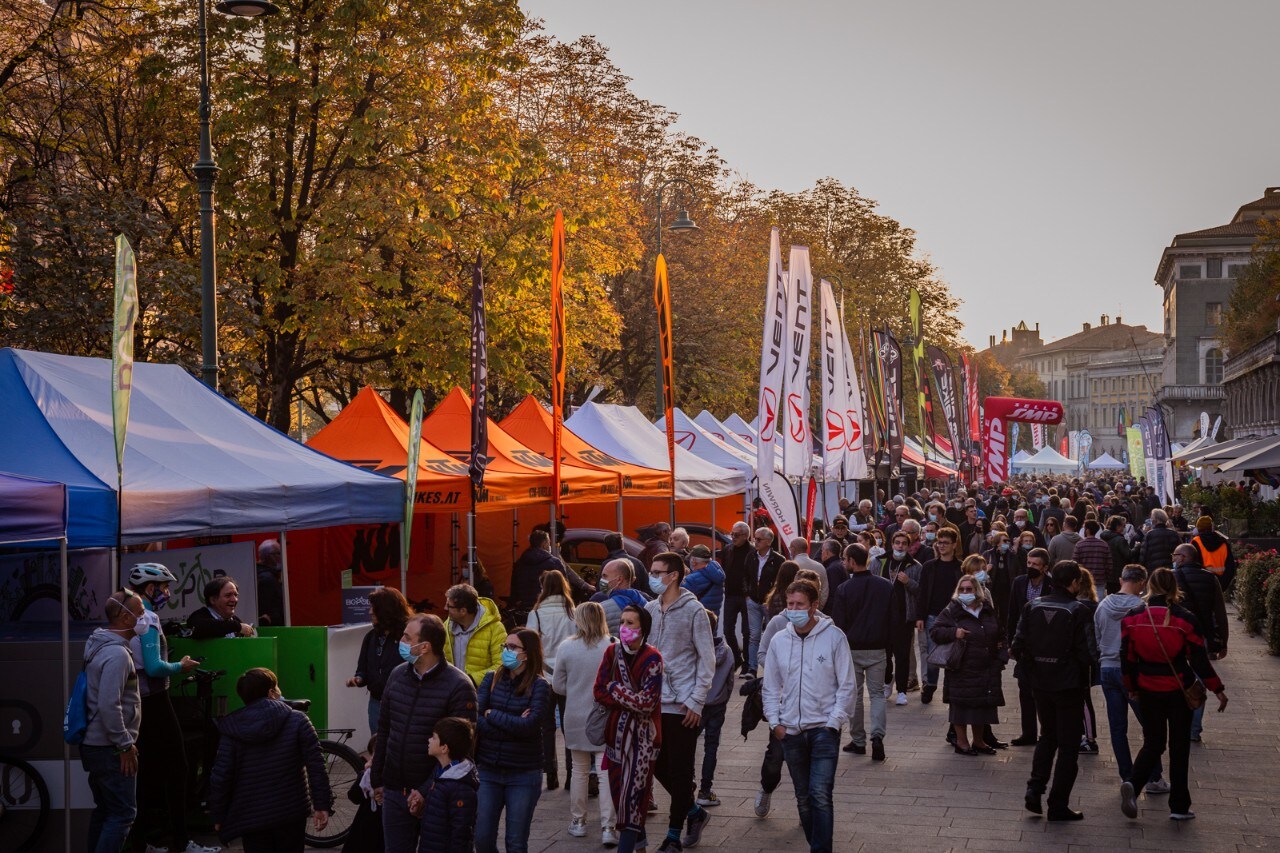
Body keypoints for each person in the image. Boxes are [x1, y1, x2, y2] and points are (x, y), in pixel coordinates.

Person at [1119, 568, 1228, 822]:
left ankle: (1133, 784)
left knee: (1154, 742)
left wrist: (1132, 687)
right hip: (1178, 687)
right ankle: (1179, 805)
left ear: (1150, 587)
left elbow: (1128, 659)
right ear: (1173, 588)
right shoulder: (1185, 619)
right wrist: (1218, 689)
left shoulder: (1132, 618)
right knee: (1179, 747)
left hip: (1147, 687)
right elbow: (1199, 661)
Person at [761, 581, 855, 853]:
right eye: (790, 605)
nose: (794, 610)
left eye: (800, 605)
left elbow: (847, 684)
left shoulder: (834, 637)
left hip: (823, 730)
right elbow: (770, 686)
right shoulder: (780, 640)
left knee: (820, 795)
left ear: (814, 606)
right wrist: (776, 722)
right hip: (790, 731)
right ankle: (818, 843)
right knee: (803, 798)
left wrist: (834, 723)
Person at [372, 614, 478, 851]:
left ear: (425, 646)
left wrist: (424, 790)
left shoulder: (458, 685)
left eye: (407, 638)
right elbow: (385, 729)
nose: (400, 641)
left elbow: (463, 749)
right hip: (394, 790)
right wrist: (377, 778)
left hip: (437, 794)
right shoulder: (397, 675)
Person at [124, 564, 207, 853]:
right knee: (178, 768)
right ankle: (181, 843)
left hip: (136, 702)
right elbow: (155, 667)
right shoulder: (147, 617)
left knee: (146, 772)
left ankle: (142, 841)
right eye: (164, 588)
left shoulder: (128, 615)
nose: (168, 594)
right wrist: (180, 666)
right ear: (150, 589)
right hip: (155, 702)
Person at [209, 668, 332, 853]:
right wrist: (322, 804)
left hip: (251, 815)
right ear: (271, 692)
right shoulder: (298, 720)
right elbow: (316, 764)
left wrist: (218, 815)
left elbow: (221, 776)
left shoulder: (233, 728)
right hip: (291, 811)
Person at [1011, 560, 1098, 821]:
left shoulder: (1032, 606)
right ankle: (1057, 803)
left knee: (1047, 736)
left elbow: (1017, 643)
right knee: (1069, 745)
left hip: (1040, 682)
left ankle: (1034, 789)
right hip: (1068, 684)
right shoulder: (1078, 610)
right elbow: (1089, 651)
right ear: (1074, 583)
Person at [645, 552, 716, 851]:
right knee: (656, 766)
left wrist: (696, 701)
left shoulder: (694, 611)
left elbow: (707, 659)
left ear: (673, 575)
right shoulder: (649, 609)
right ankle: (694, 811)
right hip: (652, 705)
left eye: (657, 572)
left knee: (680, 770)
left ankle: (673, 837)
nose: (652, 576)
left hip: (683, 705)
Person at [594, 605, 664, 853]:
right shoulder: (612, 652)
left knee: (632, 800)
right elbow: (599, 690)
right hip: (615, 738)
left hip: (643, 741)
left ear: (643, 627)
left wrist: (617, 689)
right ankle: (641, 848)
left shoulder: (653, 658)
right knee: (619, 797)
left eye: (630, 623)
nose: (624, 627)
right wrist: (624, 695)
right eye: (622, 622)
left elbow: (647, 704)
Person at [474, 629, 551, 853]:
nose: (506, 651)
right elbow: (475, 717)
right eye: (505, 647)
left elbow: (529, 727)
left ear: (527, 654)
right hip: (489, 769)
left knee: (515, 843)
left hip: (523, 773)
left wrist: (492, 715)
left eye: (512, 647)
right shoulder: (491, 679)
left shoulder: (539, 686)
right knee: (482, 838)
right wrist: (510, 723)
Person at [1093, 565, 1168, 794]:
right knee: (1150, 726)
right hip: (1132, 672)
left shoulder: (1103, 605)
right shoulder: (1141, 607)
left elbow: (1096, 636)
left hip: (1107, 668)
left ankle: (1127, 777)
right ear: (1143, 583)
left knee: (1117, 728)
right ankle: (1153, 778)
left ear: (1120, 579)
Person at [83, 590, 146, 853]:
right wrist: (124, 744)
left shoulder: (98, 645)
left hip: (96, 745)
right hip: (110, 748)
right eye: (140, 611)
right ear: (123, 617)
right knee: (122, 815)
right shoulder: (117, 655)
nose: (144, 617)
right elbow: (110, 705)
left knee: (106, 811)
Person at [552, 602, 618, 847]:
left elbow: (558, 685)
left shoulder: (567, 647)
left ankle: (578, 822)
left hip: (576, 716)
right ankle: (608, 826)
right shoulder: (613, 645)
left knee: (579, 770)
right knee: (605, 772)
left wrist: (575, 688)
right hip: (605, 717)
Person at [830, 543, 893, 760]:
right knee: (877, 695)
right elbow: (892, 617)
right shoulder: (885, 586)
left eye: (845, 558)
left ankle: (858, 740)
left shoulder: (844, 589)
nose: (843, 562)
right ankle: (877, 736)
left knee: (854, 696)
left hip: (852, 649)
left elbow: (838, 624)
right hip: (878, 647)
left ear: (852, 561)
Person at [930, 574, 1005, 755]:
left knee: (982, 706)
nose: (965, 592)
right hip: (962, 667)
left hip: (986, 667)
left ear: (977, 591)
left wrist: (1001, 655)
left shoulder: (987, 609)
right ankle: (962, 743)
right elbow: (935, 631)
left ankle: (979, 741)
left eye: (969, 589)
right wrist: (954, 633)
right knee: (961, 705)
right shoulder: (951, 610)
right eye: (962, 589)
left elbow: (1000, 632)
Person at [1171, 542, 1229, 744]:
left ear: (1184, 558)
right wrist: (1223, 641)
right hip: (1201, 635)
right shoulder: (1210, 578)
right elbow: (1220, 613)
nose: (1173, 559)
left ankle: (1178, 723)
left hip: (1176, 634)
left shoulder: (1172, 578)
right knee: (1200, 677)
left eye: (1175, 555)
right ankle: (1194, 729)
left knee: (1175, 675)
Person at [527, 571, 576, 790]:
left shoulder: (536, 614)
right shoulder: (573, 613)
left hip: (544, 676)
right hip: (568, 675)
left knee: (546, 727)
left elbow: (529, 645)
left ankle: (551, 773)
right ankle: (572, 774)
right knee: (568, 727)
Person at [349, 586, 414, 736]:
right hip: (376, 703)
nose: (370, 612)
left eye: (374, 608)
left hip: (403, 703)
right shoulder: (371, 637)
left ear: (387, 610)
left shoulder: (408, 637)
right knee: (378, 747)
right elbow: (362, 669)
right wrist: (358, 678)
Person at [409, 717, 478, 853]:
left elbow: (461, 833)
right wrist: (421, 812)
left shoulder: (460, 787)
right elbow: (441, 816)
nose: (429, 740)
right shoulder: (442, 774)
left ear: (444, 748)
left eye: (434, 738)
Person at [916, 528, 963, 703]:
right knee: (931, 652)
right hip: (932, 616)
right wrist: (920, 616)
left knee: (954, 653)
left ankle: (951, 688)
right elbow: (922, 593)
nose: (942, 545)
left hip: (954, 617)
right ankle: (930, 685)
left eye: (945, 542)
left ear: (954, 545)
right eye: (939, 542)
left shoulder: (961, 567)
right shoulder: (929, 566)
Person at [875, 529, 922, 704]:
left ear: (909, 546)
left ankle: (902, 690)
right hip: (882, 617)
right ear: (892, 544)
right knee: (884, 655)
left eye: (904, 543)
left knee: (902, 655)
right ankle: (888, 680)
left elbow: (920, 592)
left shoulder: (915, 566)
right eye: (897, 543)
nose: (900, 546)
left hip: (904, 617)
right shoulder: (879, 562)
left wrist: (908, 582)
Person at [694, 610, 735, 809]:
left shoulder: (695, 650)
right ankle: (705, 790)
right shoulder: (727, 651)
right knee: (711, 747)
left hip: (697, 704)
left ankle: (689, 783)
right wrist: (723, 699)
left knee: (688, 746)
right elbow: (730, 682)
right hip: (717, 705)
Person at [443, 583, 507, 687]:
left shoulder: (495, 628)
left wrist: (471, 680)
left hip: (481, 693)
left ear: (463, 611)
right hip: (452, 691)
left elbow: (501, 665)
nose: (445, 608)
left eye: (449, 606)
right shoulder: (446, 626)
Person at [743, 528, 783, 677]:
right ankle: (752, 669)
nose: (755, 542)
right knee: (754, 635)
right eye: (755, 539)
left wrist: (772, 599)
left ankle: (771, 668)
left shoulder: (778, 560)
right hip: (753, 601)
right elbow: (745, 576)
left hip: (769, 603)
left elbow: (780, 582)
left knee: (772, 636)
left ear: (768, 541)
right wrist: (747, 594)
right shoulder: (751, 556)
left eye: (759, 539)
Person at [511, 530, 574, 619]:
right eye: (549, 543)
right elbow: (564, 586)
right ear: (544, 543)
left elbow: (514, 587)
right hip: (549, 608)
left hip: (524, 608)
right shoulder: (554, 563)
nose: (549, 545)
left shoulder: (519, 563)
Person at [717, 522, 755, 672]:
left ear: (746, 536)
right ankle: (737, 659)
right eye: (732, 534)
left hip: (746, 597)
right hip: (731, 595)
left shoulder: (752, 552)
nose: (733, 537)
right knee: (727, 629)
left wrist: (751, 594)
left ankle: (746, 663)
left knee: (747, 632)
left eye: (737, 535)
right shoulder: (728, 549)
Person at [1074, 568, 1102, 754]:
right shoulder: (1093, 605)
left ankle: (1090, 739)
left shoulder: (1081, 607)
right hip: (1087, 659)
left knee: (1083, 700)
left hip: (1082, 660)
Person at [593, 558, 652, 636]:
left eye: (605, 576)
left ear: (619, 579)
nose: (601, 580)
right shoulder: (648, 605)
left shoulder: (601, 609)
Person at [186, 577, 255, 639]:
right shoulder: (198, 618)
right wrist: (236, 627)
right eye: (228, 595)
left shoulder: (235, 620)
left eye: (236, 595)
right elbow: (202, 628)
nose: (234, 599)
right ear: (213, 600)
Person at [1189, 515, 1237, 591]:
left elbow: (1192, 565)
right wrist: (1222, 586)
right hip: (1220, 583)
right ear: (1211, 527)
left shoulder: (1196, 542)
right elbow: (1230, 567)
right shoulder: (1223, 543)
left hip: (1202, 584)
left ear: (1198, 528)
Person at [681, 545, 726, 619]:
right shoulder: (717, 573)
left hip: (697, 619)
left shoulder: (691, 579)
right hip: (713, 618)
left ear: (694, 561)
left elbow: (679, 600)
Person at [1073, 520, 1112, 600]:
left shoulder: (1080, 545)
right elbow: (1109, 564)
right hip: (1100, 580)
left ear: (1087, 530)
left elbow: (1075, 564)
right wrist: (1105, 576)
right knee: (1097, 604)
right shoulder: (1104, 545)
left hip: (1083, 581)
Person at [788, 536, 829, 607]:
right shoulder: (820, 566)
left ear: (793, 549)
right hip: (816, 609)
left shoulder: (791, 566)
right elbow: (825, 591)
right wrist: (818, 608)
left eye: (790, 548)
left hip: (795, 610)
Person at [255, 539, 285, 628]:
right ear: (268, 556)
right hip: (272, 627)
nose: (281, 556)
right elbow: (267, 607)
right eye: (278, 553)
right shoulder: (267, 578)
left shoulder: (263, 574)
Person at [818, 539, 848, 614]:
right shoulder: (840, 565)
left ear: (827, 552)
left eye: (822, 550)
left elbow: (833, 594)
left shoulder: (832, 569)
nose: (821, 553)